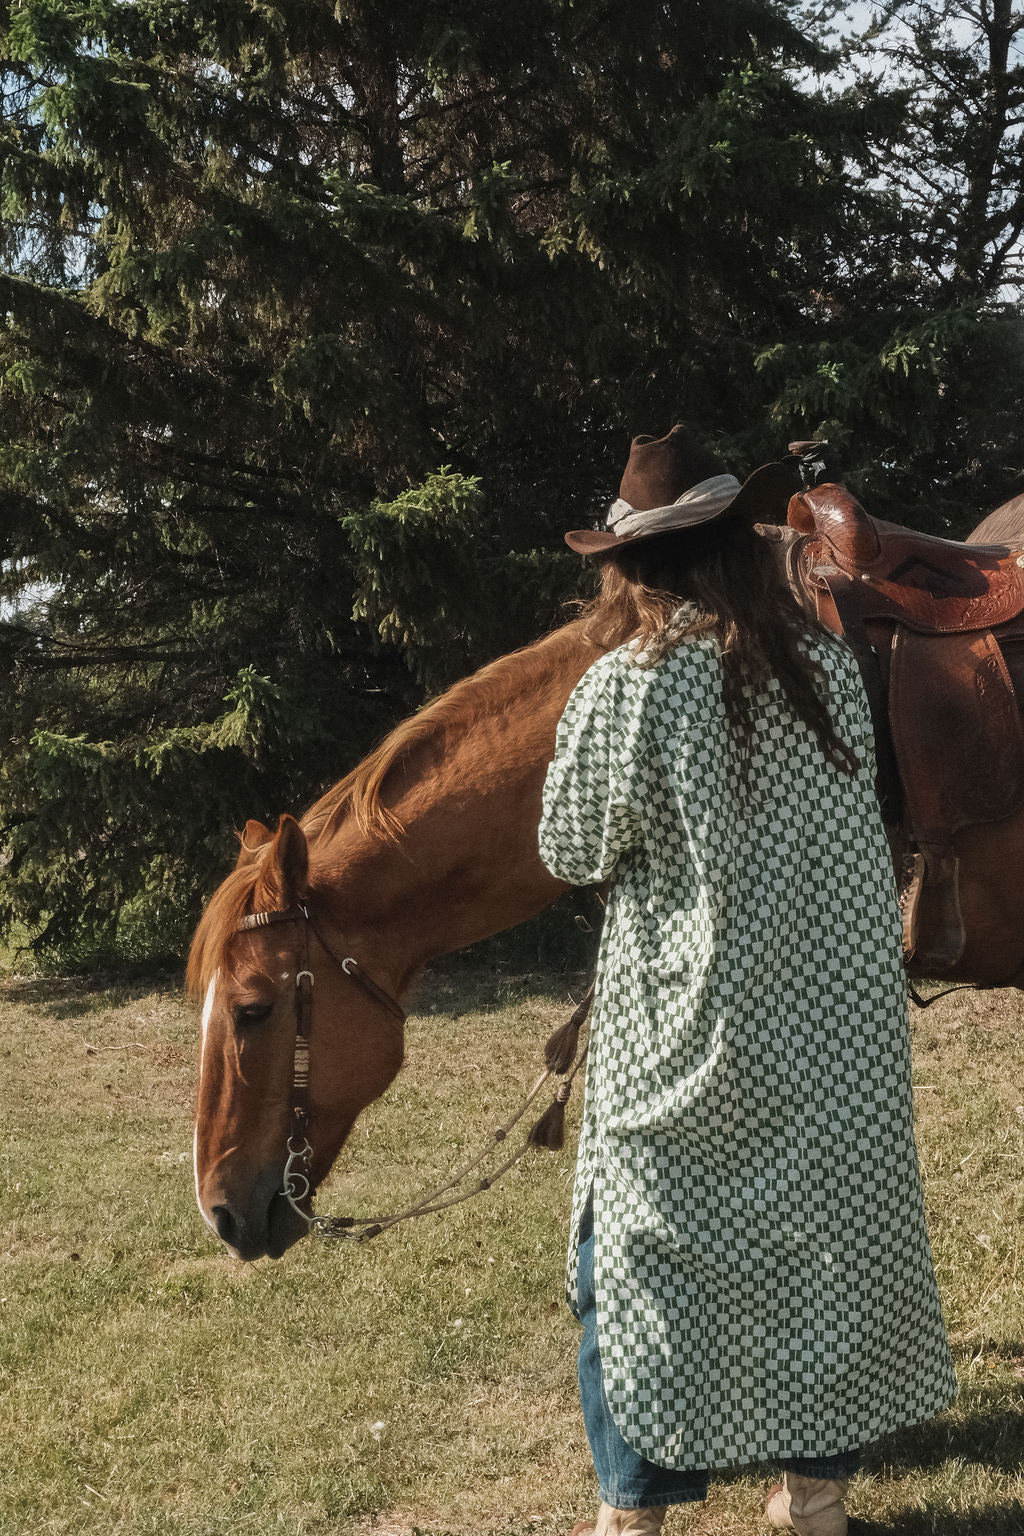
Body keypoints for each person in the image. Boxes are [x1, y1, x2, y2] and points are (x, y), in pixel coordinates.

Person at [537, 426, 956, 1536]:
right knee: (822, 1241)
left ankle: (634, 1515)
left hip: (689, 1028)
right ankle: (812, 1500)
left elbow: (571, 846)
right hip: (835, 1026)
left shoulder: (626, 687)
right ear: (739, 547)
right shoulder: (823, 666)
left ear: (631, 565)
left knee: (633, 1255)